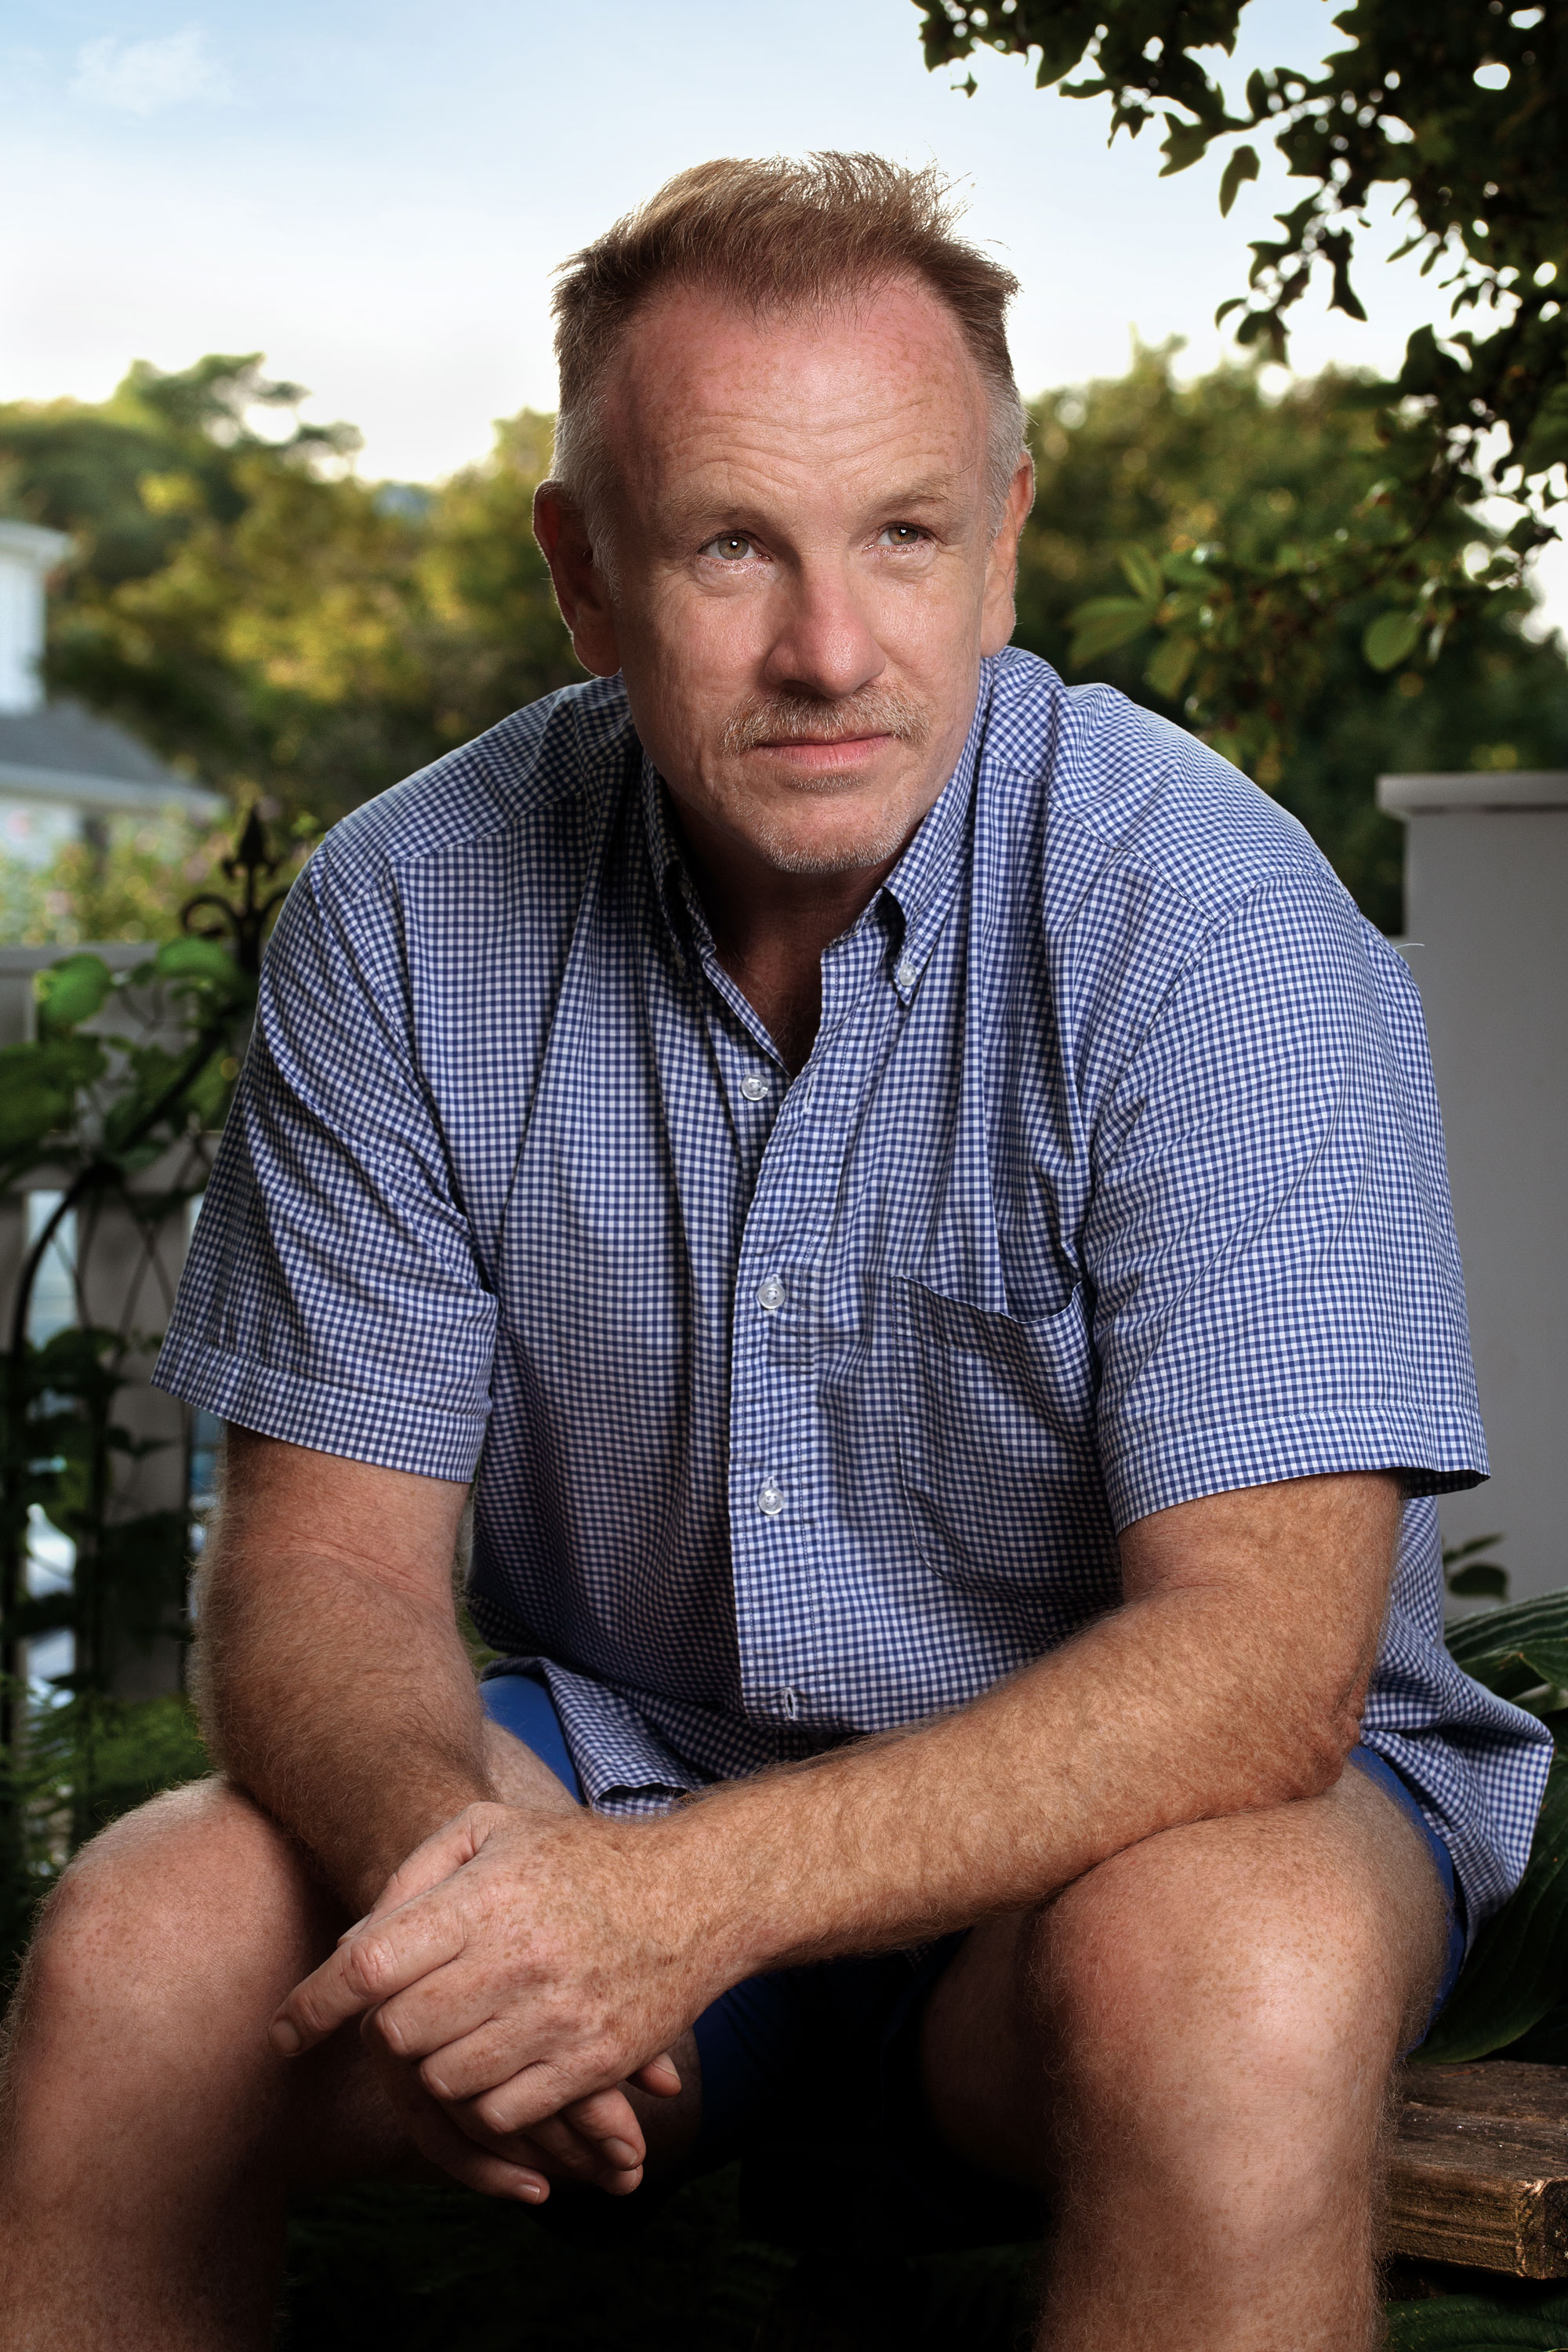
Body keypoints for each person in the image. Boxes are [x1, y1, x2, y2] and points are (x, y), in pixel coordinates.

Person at [0, 154, 1550, 2352]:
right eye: (735, 543)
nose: (832, 651)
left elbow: (1258, 1673)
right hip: (633, 1757)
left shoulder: (1211, 919)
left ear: (1003, 544)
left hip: (1162, 1824)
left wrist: (670, 1911)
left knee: (1237, 1982)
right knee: (138, 1961)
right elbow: (325, 1578)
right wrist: (488, 1889)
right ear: (586, 575)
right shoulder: (406, 912)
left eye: (905, 536)